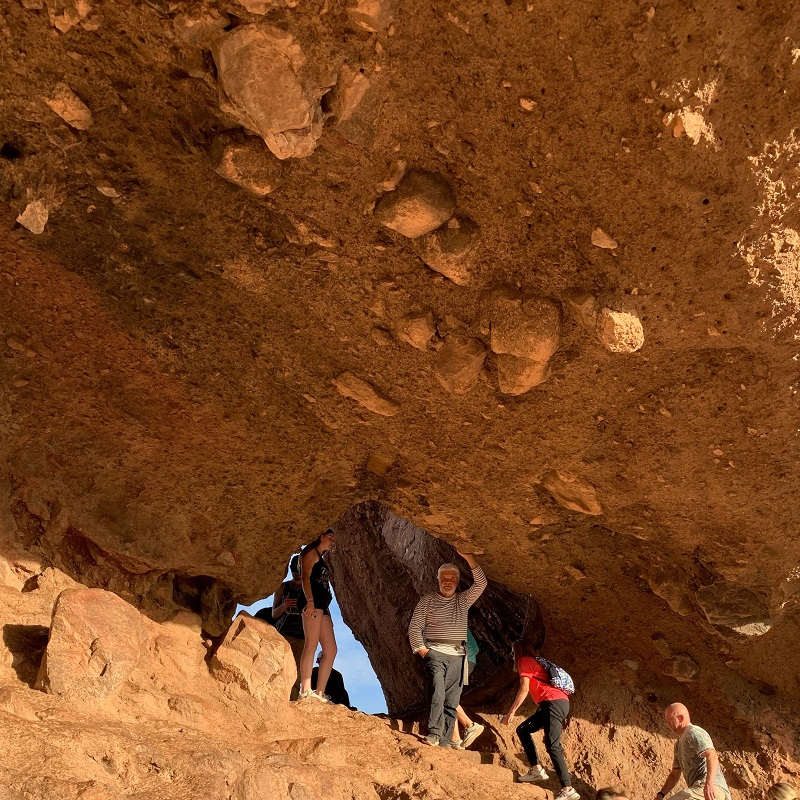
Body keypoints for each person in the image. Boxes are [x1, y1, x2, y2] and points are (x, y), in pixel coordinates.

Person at [408, 551, 487, 747]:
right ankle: (434, 733)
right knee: (438, 692)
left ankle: (445, 740)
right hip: (436, 653)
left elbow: (481, 584)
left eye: (452, 578)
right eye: (444, 577)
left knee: (451, 699)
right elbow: (414, 626)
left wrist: (469, 558)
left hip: (458, 656)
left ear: (458, 581)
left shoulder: (463, 600)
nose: (448, 581)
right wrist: (423, 650)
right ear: (438, 580)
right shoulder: (427, 600)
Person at [501, 641, 578, 800]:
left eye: (513, 652)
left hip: (553, 703)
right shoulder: (537, 661)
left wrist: (511, 712)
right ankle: (536, 769)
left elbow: (524, 689)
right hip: (556, 703)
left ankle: (568, 789)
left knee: (552, 744)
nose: (512, 656)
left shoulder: (524, 661)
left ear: (518, 651)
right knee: (523, 730)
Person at [654, 703, 731, 800]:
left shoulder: (694, 732)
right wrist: (661, 794)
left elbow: (712, 756)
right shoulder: (678, 745)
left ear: (681, 718)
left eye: (670, 720)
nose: (668, 724)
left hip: (712, 789)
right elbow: (675, 774)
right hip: (700, 790)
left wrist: (709, 784)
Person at [297, 528, 337, 703]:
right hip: (312, 602)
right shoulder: (310, 553)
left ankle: (320, 693)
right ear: (320, 536)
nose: (332, 541)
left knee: (331, 649)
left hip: (323, 605)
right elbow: (305, 577)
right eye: (329, 538)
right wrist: (310, 601)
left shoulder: (320, 557)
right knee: (311, 645)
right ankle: (306, 690)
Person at [270, 554, 305, 700]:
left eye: (299, 570)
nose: (296, 573)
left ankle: (291, 701)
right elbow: (274, 614)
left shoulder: (309, 589)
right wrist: (285, 605)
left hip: (302, 637)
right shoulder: (283, 587)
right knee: (278, 670)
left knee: (296, 674)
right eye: (294, 570)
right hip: (283, 634)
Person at [450, 629, 485, 749]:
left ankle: (470, 725)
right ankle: (455, 739)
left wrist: (460, 657)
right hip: (464, 661)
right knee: (450, 696)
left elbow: (474, 648)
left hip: (463, 661)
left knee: (448, 695)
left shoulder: (458, 623)